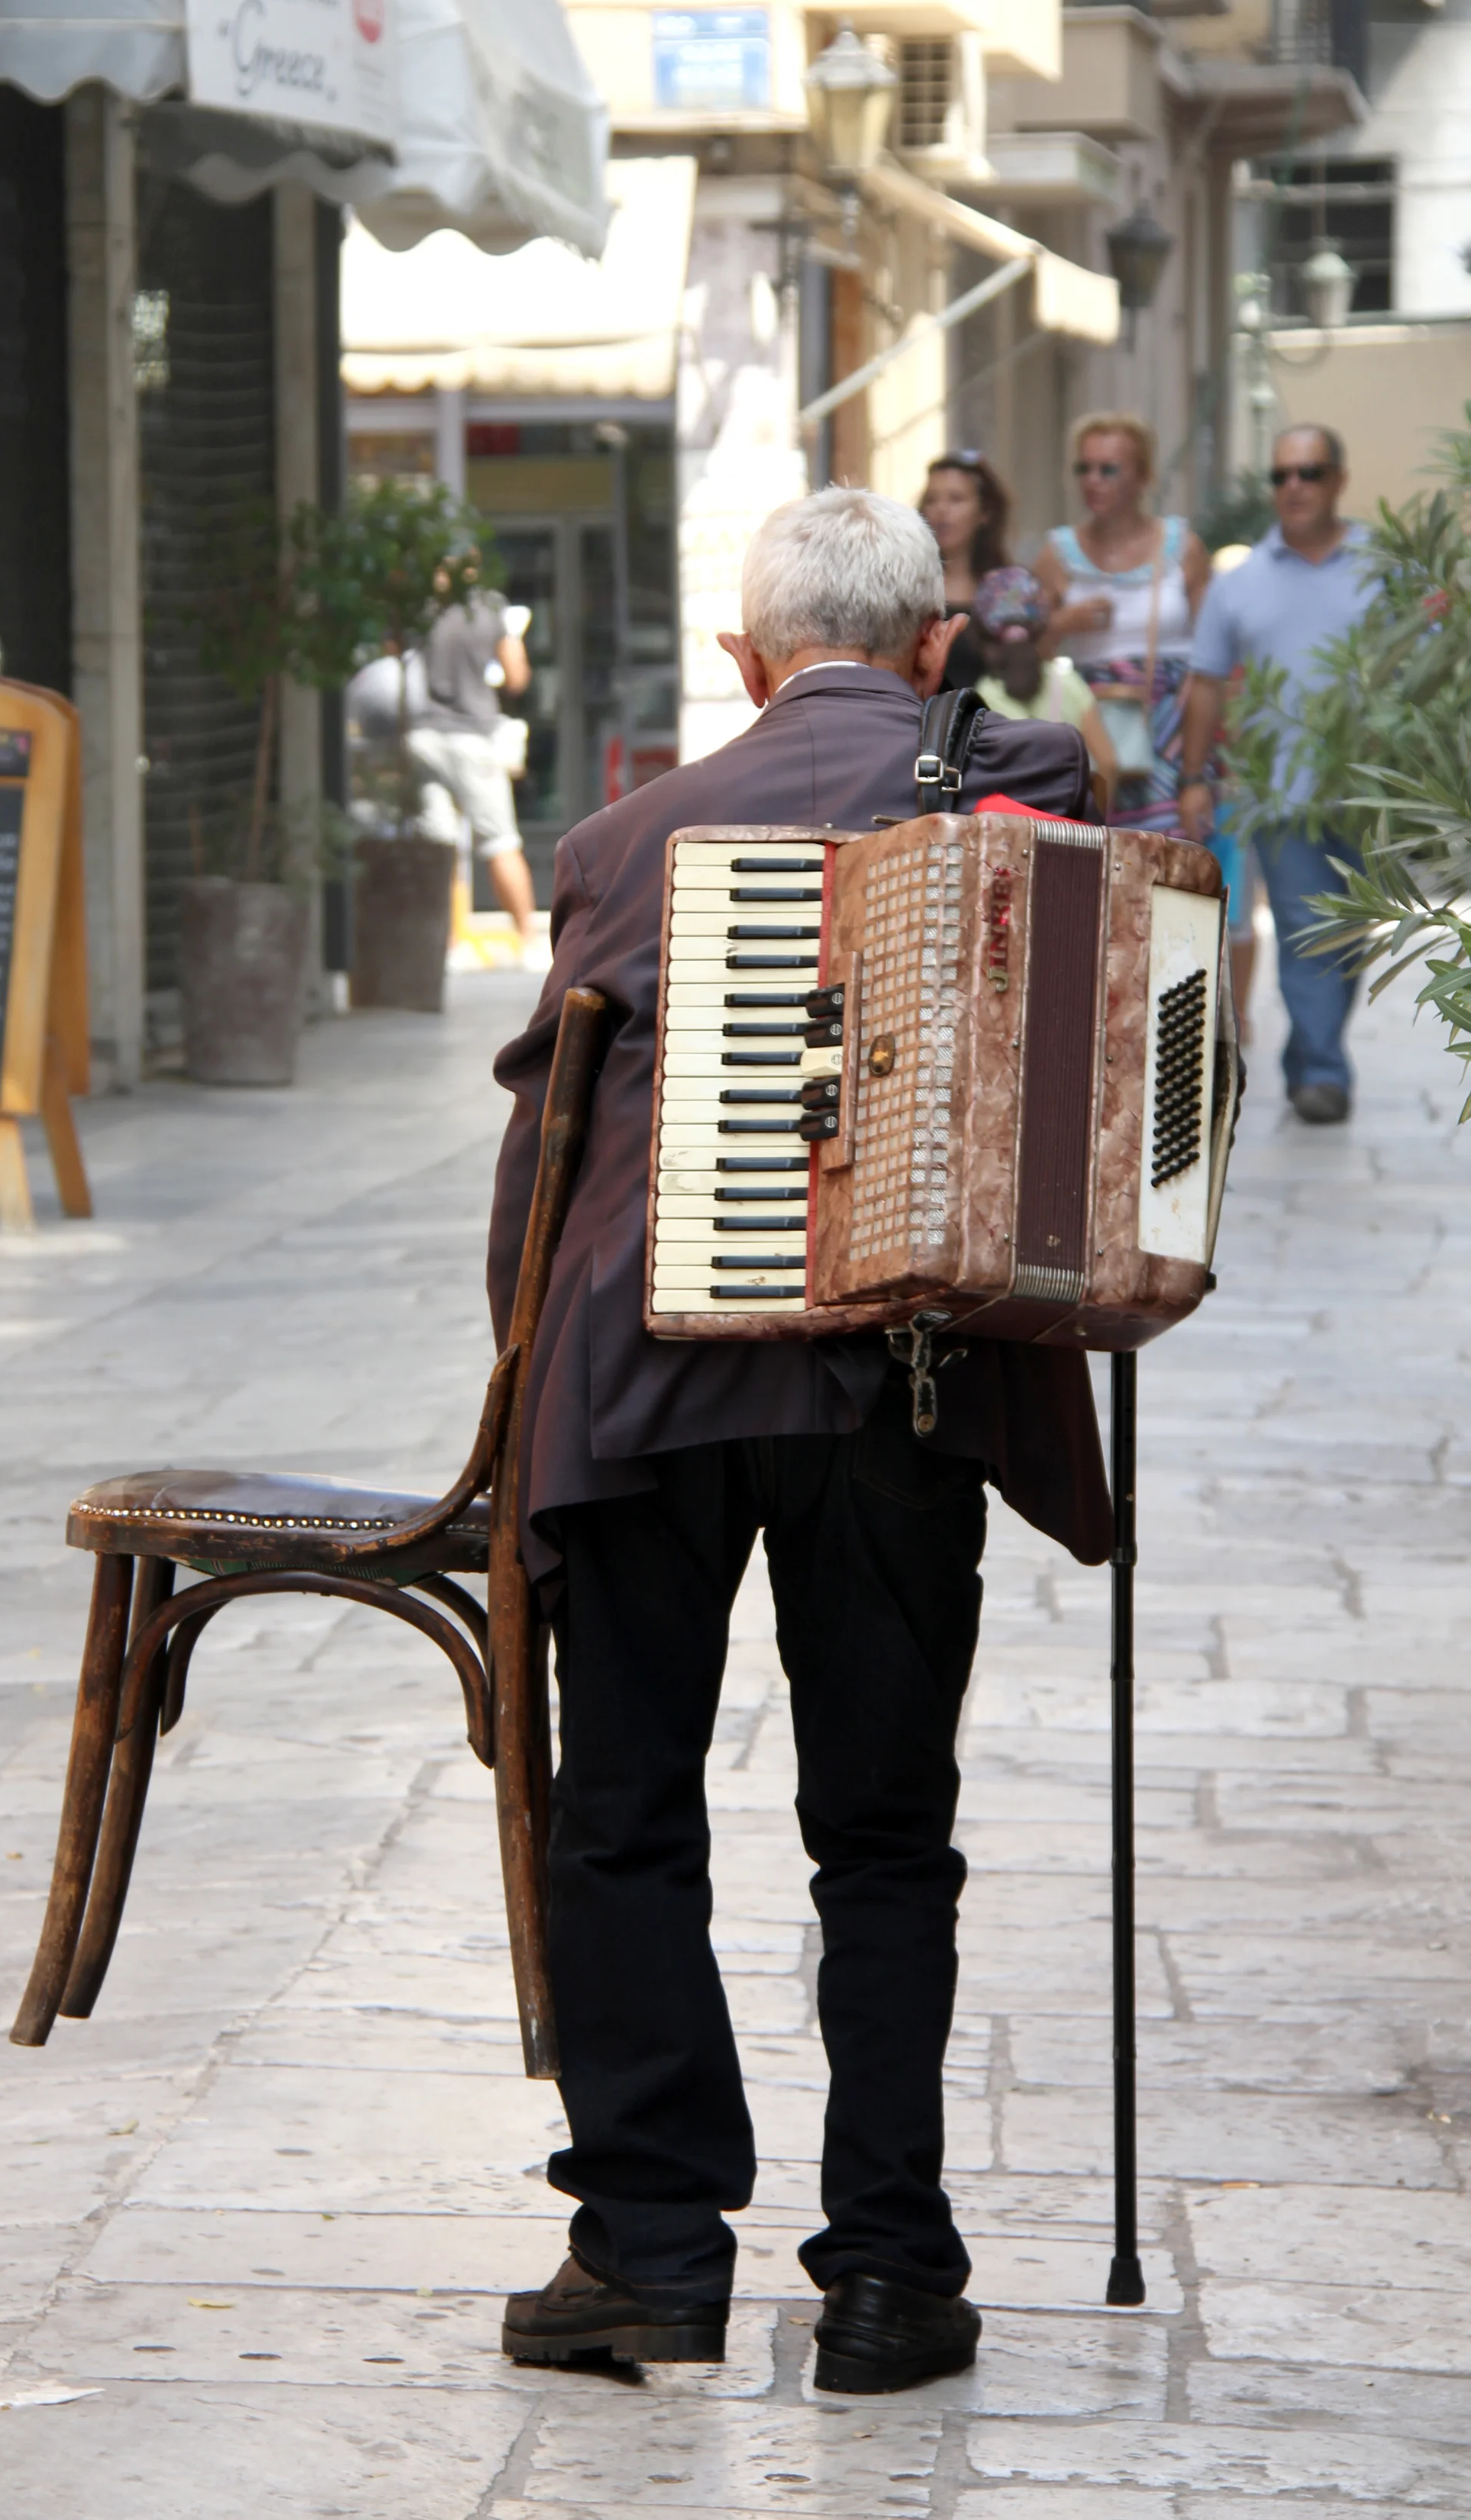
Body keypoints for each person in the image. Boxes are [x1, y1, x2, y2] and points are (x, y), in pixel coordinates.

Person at [489, 488, 1112, 2398]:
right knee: (882, 1835)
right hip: (894, 1390)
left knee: (626, 1816)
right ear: (937, 644)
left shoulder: (620, 836)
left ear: (745, 663)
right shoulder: (1017, 788)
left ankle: (650, 2253)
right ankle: (888, 2273)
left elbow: (540, 1164)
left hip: (653, 1390)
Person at [1179, 424, 1381, 1125]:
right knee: (1304, 928)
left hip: (1373, 794)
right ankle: (1322, 1073)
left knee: (1350, 936)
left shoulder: (1387, 567)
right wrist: (1194, 777)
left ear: (1339, 479)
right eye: (1281, 476)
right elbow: (1204, 685)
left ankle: (1310, 1056)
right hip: (1277, 792)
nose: (1293, 487)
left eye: (1310, 472)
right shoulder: (1239, 585)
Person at [1034, 413, 1211, 827]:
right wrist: (1060, 624)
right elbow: (1028, 657)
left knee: (1167, 866)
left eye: (1109, 469)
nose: (1093, 480)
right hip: (1086, 727)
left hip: (1169, 728)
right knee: (1086, 856)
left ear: (1144, 476)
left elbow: (1212, 660)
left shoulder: (1183, 548)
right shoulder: (1057, 553)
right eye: (1084, 468)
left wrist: (1198, 771)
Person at [406, 567, 540, 946]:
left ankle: (448, 940)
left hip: (423, 737)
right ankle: (528, 936)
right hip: (472, 736)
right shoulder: (488, 610)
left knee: (442, 845)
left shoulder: (420, 610)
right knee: (499, 841)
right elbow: (517, 677)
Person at [970, 566, 1117, 797]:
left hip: (1011, 825)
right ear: (1042, 626)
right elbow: (1107, 762)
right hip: (1069, 825)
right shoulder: (1067, 681)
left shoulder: (982, 695)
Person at [919, 448, 1012, 690]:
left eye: (956, 499)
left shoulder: (1009, 589)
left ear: (985, 512)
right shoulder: (909, 584)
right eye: (931, 499)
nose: (941, 510)